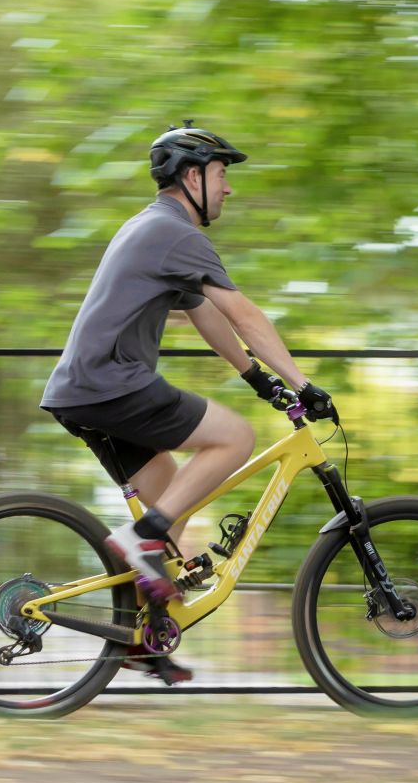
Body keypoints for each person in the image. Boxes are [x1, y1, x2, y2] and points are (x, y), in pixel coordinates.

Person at [39, 123, 336, 682]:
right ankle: (139, 539)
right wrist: (301, 382)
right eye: (222, 174)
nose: (229, 188)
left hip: (86, 391)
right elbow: (244, 313)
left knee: (173, 515)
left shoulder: (154, 230)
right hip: (111, 383)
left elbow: (208, 316)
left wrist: (255, 376)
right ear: (192, 176)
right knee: (235, 438)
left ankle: (146, 640)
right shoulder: (176, 234)